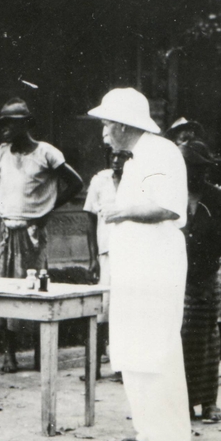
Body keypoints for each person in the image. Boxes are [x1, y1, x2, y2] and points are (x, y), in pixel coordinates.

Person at [87, 88, 190, 441]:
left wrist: (121, 211)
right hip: (133, 263)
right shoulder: (132, 158)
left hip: (157, 263)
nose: (102, 131)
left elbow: (169, 207)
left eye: (106, 124)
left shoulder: (162, 152)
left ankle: (171, 436)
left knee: (157, 345)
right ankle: (148, 429)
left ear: (123, 124)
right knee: (131, 346)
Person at [0, 98, 82, 372]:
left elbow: (76, 182)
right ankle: (9, 355)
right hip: (7, 231)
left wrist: (48, 208)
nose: (4, 130)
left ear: (25, 124)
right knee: (7, 291)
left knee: (36, 290)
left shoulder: (46, 153)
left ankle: (39, 354)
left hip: (32, 232)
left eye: (10, 124)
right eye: (1, 124)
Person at [179, 140, 221, 422]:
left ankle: (209, 402)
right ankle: (183, 403)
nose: (191, 173)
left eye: (196, 167)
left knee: (206, 336)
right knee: (180, 338)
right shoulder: (172, 195)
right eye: (186, 166)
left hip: (206, 276)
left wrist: (216, 251)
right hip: (177, 276)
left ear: (205, 169)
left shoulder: (219, 198)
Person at [83, 145, 132, 379]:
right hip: (107, 253)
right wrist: (93, 257)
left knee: (126, 309)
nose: (115, 160)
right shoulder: (99, 181)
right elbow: (90, 219)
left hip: (132, 253)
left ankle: (123, 366)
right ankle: (94, 367)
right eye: (112, 155)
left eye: (121, 155)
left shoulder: (136, 181)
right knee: (102, 308)